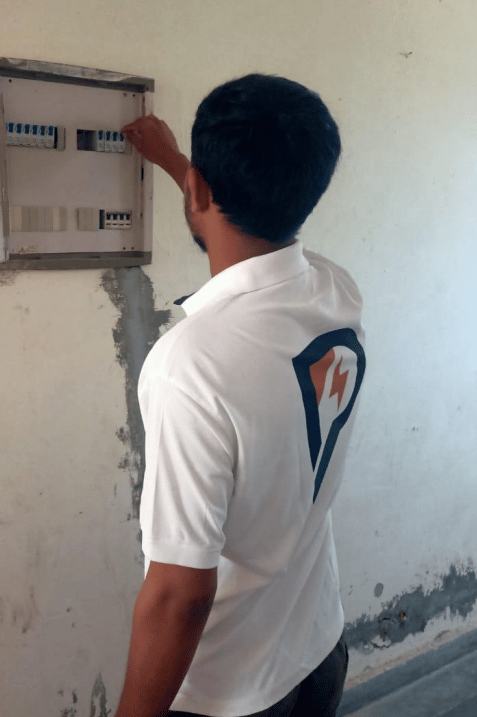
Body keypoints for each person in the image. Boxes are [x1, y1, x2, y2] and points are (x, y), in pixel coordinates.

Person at [115, 74, 366, 717]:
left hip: (231, 692)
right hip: (318, 646)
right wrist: (178, 163)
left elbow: (180, 592)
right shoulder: (335, 292)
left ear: (200, 190)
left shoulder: (191, 367)